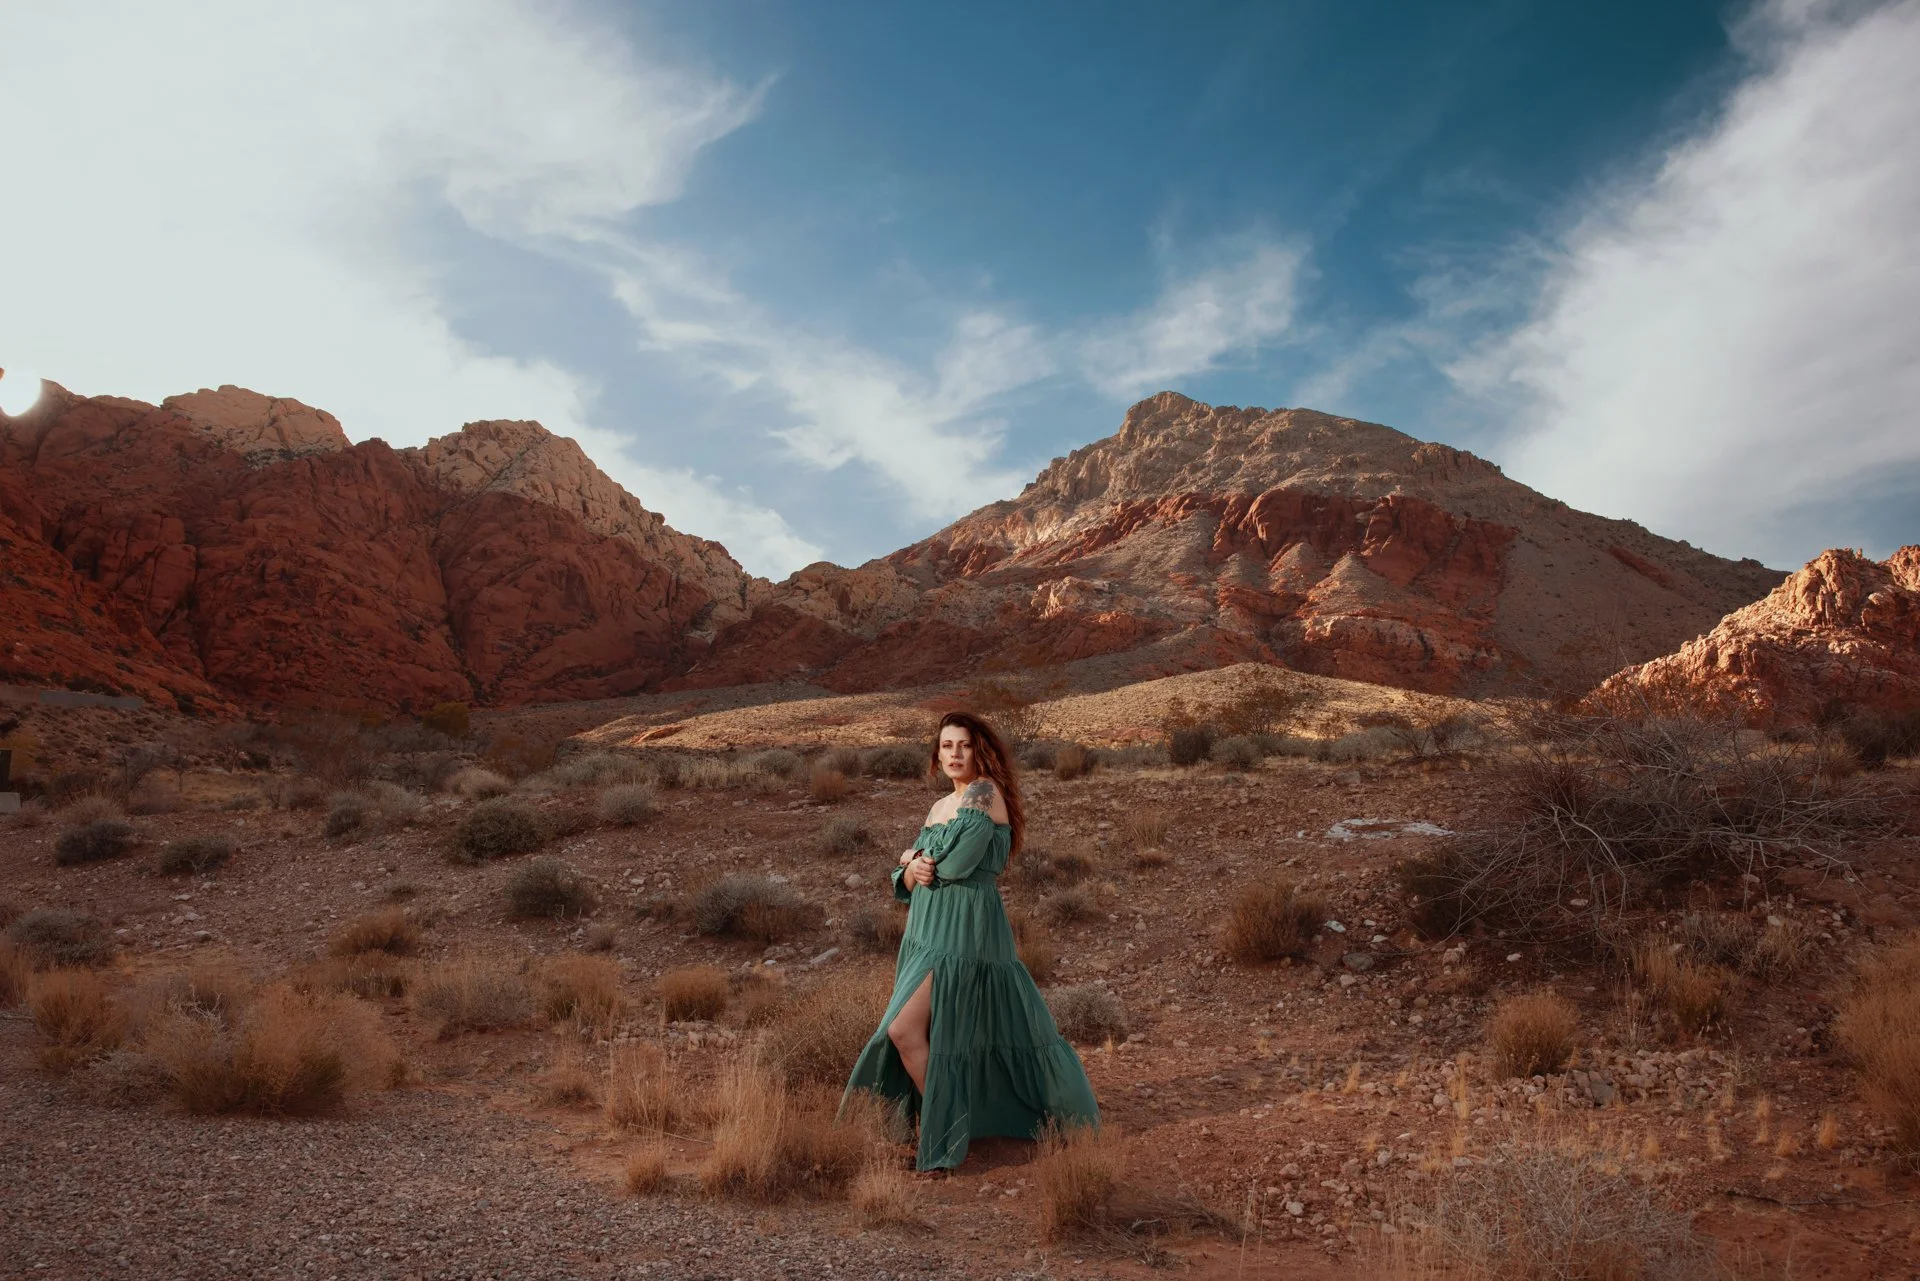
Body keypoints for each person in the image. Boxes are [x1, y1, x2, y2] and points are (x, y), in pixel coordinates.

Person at [841, 710, 1100, 1172]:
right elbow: (905, 881)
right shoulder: (940, 807)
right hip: (925, 931)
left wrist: (914, 858)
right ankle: (956, 1122)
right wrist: (912, 865)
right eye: (945, 746)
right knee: (921, 1033)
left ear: (979, 751)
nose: (954, 755)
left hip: (965, 930)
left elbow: (954, 866)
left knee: (905, 1031)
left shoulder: (985, 792)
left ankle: (954, 1127)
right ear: (936, 753)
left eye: (963, 745)